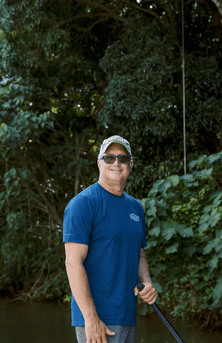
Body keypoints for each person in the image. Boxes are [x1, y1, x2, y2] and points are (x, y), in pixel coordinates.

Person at [63, 135, 158, 343]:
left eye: (123, 159)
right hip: (98, 319)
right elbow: (72, 262)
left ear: (131, 165)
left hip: (127, 315)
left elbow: (138, 252)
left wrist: (147, 282)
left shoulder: (136, 207)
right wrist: (90, 318)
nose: (116, 163)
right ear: (99, 163)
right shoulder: (83, 203)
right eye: (109, 158)